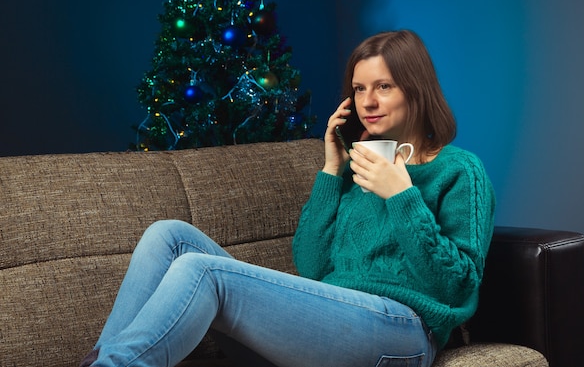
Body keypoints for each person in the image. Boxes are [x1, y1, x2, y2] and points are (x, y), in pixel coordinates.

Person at [79, 30, 495, 367]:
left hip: (402, 332)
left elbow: (458, 290)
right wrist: (332, 170)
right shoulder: (356, 168)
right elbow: (312, 268)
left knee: (202, 271)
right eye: (360, 88)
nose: (368, 102)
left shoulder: (459, 170)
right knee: (167, 236)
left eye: (384, 86)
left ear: (415, 90)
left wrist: (401, 193)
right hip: (334, 322)